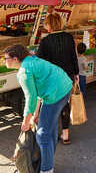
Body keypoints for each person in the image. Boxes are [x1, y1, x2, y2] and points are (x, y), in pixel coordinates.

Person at [4, 44, 72, 173]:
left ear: (15, 59)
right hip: (65, 87)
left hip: (55, 94)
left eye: (6, 58)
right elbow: (37, 93)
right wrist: (35, 115)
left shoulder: (24, 71)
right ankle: (48, 161)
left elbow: (30, 99)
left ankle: (46, 169)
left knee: (42, 135)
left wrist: (25, 122)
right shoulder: (31, 60)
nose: (4, 60)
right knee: (48, 130)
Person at [37, 13, 79, 145]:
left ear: (50, 25)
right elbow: (74, 56)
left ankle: (52, 135)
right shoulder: (68, 37)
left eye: (46, 24)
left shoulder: (45, 41)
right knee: (65, 103)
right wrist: (76, 73)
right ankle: (65, 134)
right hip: (68, 76)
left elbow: (40, 63)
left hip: (52, 79)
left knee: (52, 104)